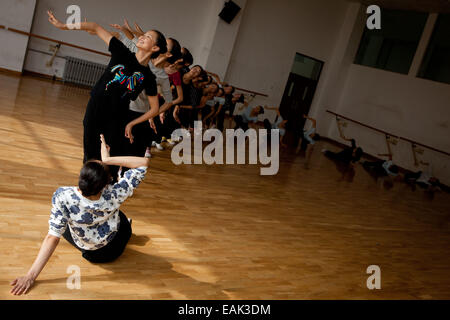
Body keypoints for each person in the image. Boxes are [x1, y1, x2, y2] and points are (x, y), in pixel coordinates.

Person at [10, 134, 150, 296]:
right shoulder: (115, 193)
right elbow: (143, 163)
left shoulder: (63, 196)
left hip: (89, 251)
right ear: (106, 184)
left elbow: (52, 237)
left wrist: (30, 276)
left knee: (58, 228)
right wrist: (107, 159)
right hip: (110, 251)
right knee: (123, 221)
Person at [47, 11, 164, 177]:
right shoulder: (121, 51)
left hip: (117, 116)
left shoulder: (148, 77)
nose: (142, 37)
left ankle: (108, 186)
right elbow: (94, 26)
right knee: (89, 151)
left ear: (155, 48)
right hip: (96, 106)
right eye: (143, 35)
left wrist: (132, 124)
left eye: (148, 37)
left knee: (110, 156)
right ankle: (87, 185)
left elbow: (154, 109)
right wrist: (63, 26)